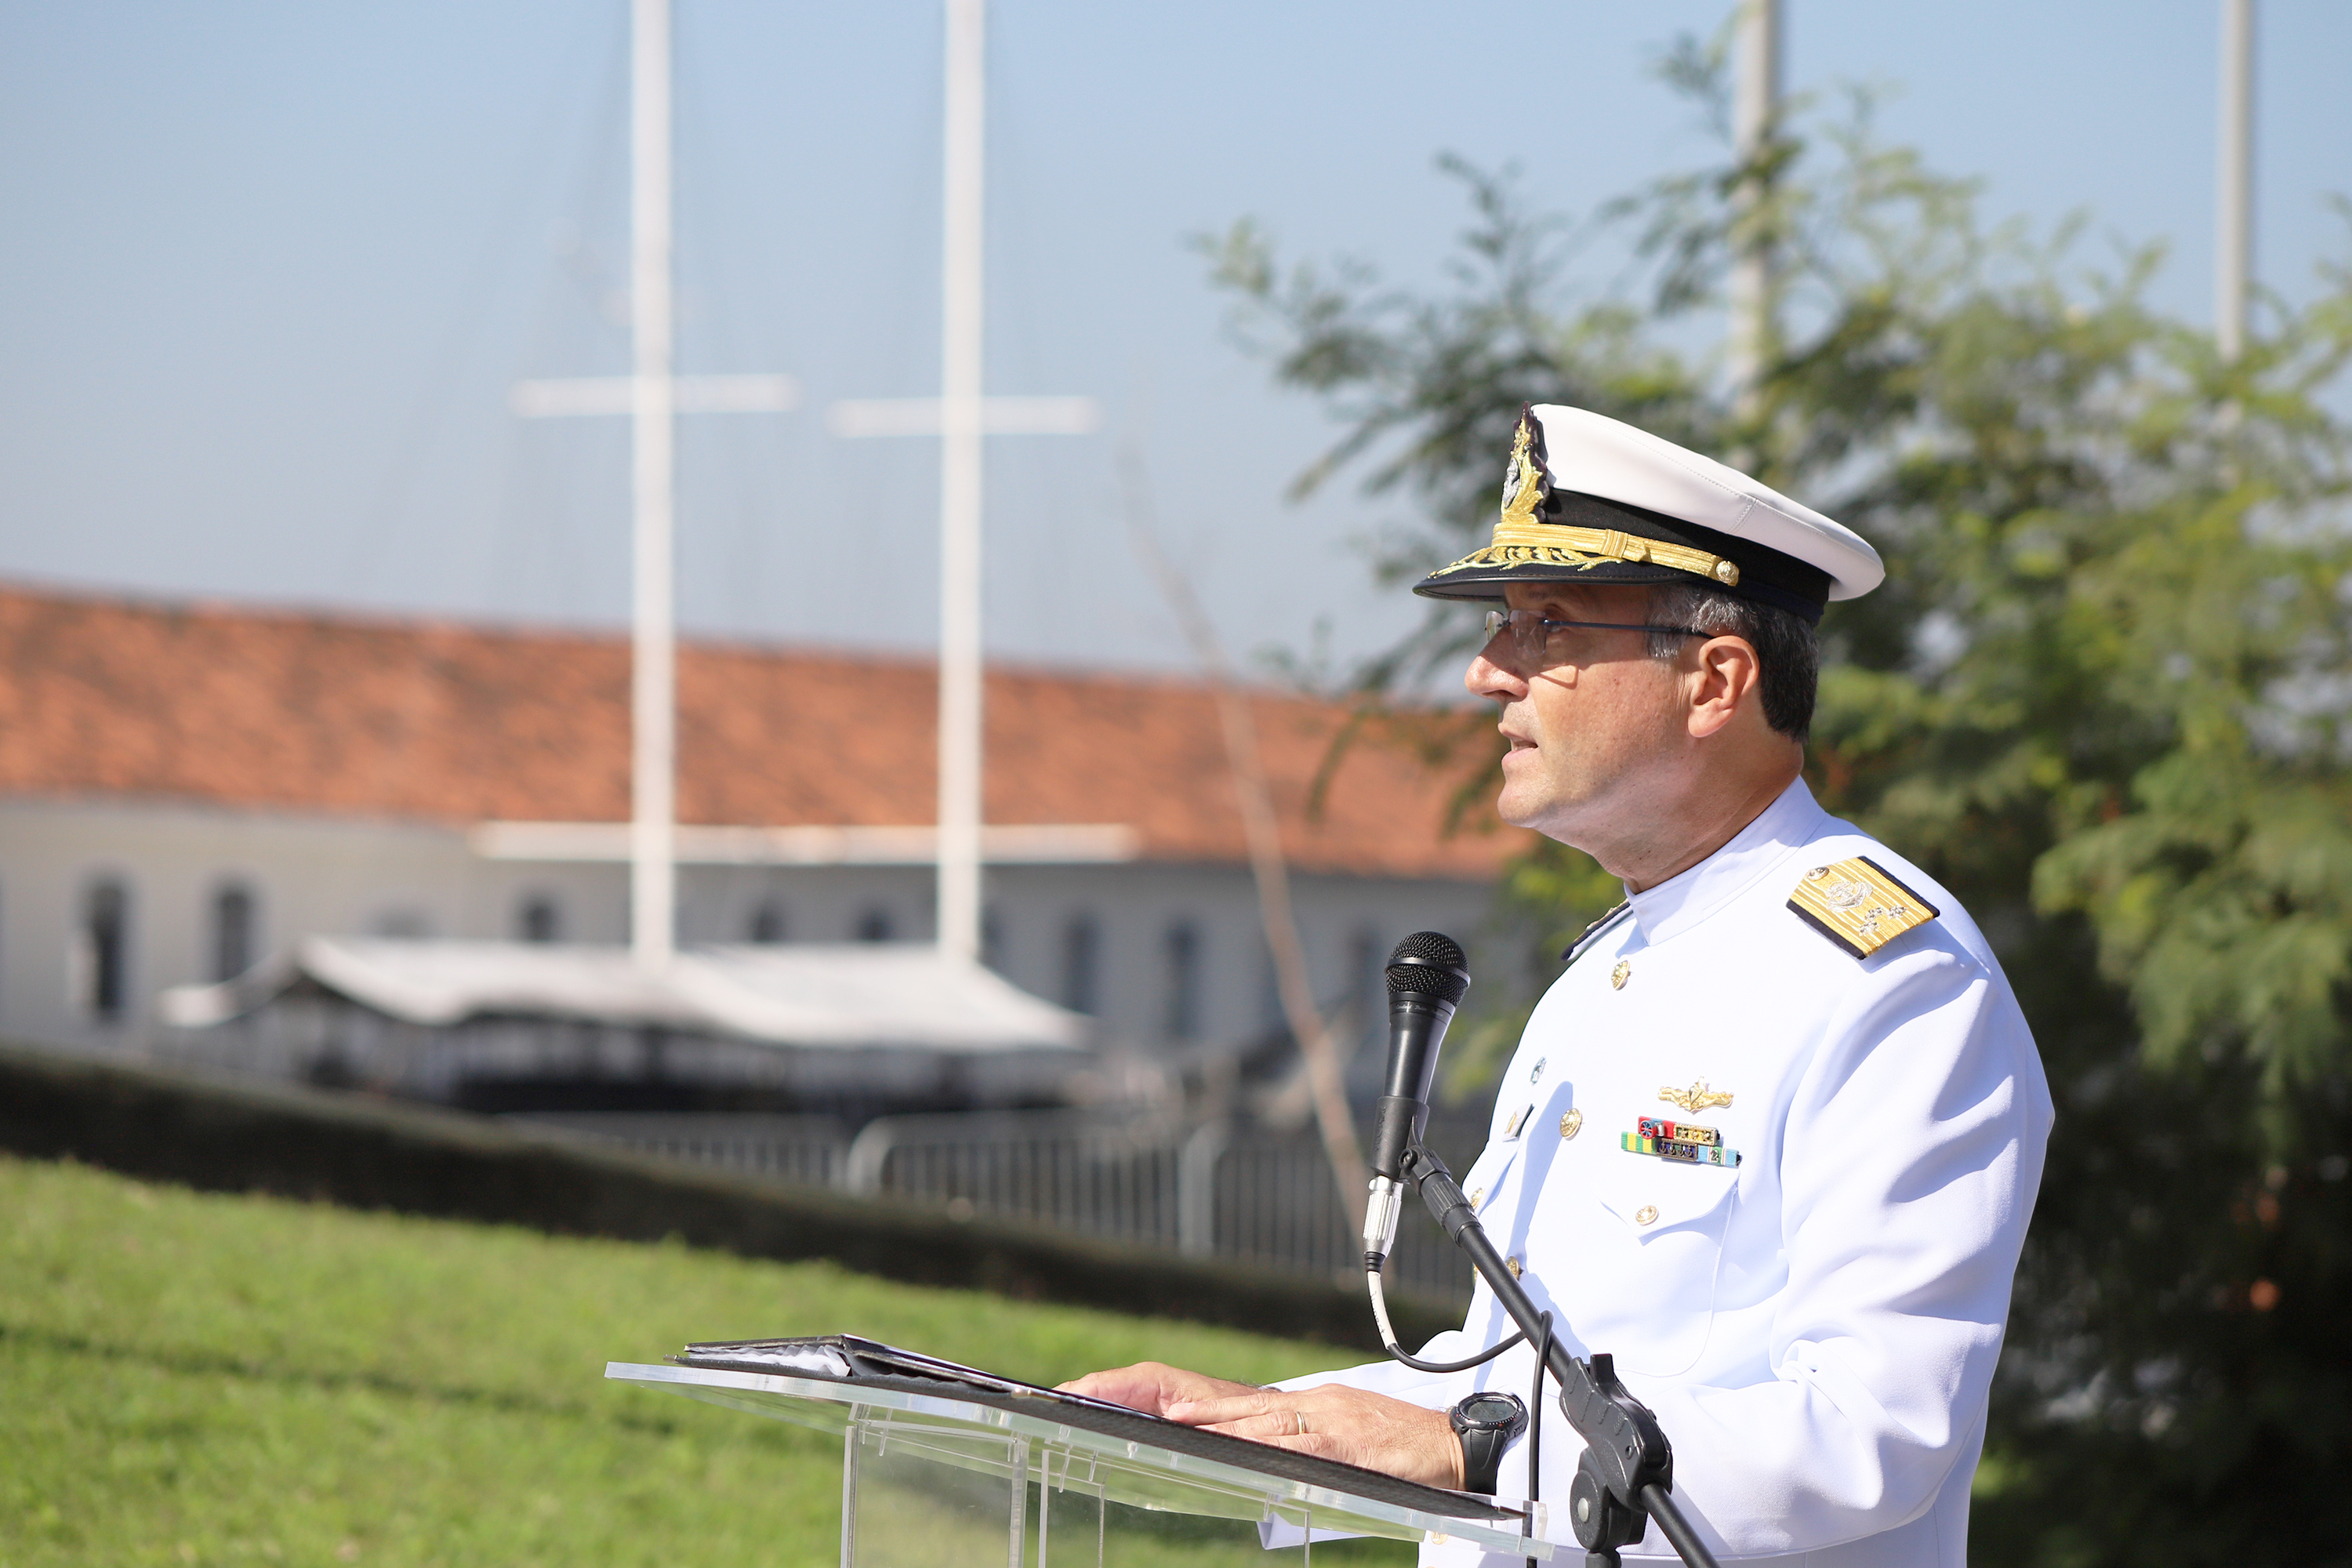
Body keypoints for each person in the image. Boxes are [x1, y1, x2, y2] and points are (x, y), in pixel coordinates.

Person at [1062, 405, 2054, 1567]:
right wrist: (1245, 1422)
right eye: (1504, 627)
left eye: (1546, 627)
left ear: (1716, 680)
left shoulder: (1896, 984)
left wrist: (1471, 1451)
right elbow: (1514, 1379)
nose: (1488, 673)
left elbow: (1875, 1432)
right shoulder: (1606, 972)